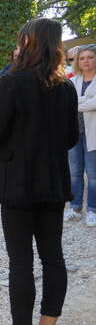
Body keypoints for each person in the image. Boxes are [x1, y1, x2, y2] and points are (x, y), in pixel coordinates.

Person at [0, 18, 77, 325]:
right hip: (53, 180)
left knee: (20, 261)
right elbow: (71, 137)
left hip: (18, 182)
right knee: (53, 256)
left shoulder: (12, 81)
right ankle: (49, 322)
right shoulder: (66, 85)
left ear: (26, 43)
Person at [65, 44, 96, 226]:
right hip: (74, 132)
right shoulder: (73, 80)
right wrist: (87, 101)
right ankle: (75, 208)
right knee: (74, 173)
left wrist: (76, 103)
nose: (86, 61)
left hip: (93, 133)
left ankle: (92, 209)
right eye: (82, 58)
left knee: (93, 174)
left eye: (90, 57)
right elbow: (65, 102)